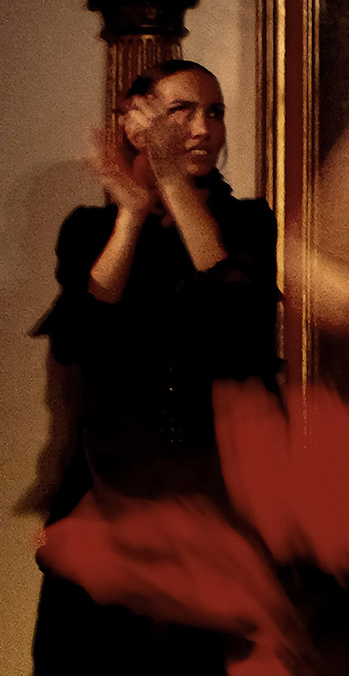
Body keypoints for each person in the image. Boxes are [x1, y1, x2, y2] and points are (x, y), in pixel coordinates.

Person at [32, 60, 281, 674]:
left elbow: (232, 314)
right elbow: (81, 335)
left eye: (215, 113)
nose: (203, 128)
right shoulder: (88, 228)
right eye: (182, 111)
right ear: (136, 125)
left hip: (215, 493)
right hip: (111, 489)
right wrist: (130, 215)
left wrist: (171, 180)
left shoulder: (247, 223)